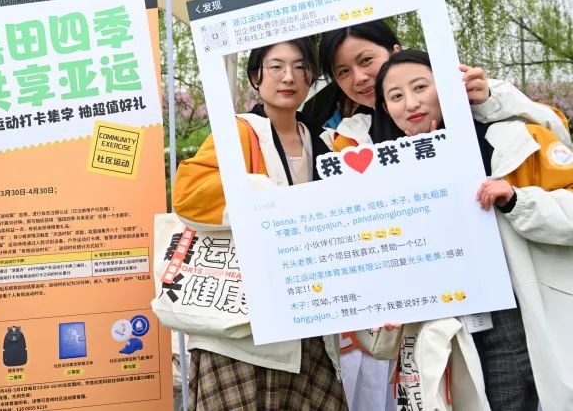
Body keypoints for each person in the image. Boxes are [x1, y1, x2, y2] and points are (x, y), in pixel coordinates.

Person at [370, 50, 573, 411]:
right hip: (460, 333)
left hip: (533, 315)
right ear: (385, 108)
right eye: (396, 96)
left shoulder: (514, 140)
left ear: (449, 86)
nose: (411, 103)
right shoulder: (381, 178)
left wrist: (517, 201)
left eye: (421, 87)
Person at [173, 38, 348, 410]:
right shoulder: (239, 131)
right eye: (276, 66)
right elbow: (188, 195)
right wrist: (268, 195)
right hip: (240, 331)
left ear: (312, 77)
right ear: (256, 76)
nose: (289, 77)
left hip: (305, 323)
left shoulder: (325, 143)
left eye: (300, 67)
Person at [307, 20, 570, 150]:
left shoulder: (478, 95)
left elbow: (556, 136)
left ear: (396, 52)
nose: (359, 78)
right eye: (343, 72)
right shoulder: (351, 140)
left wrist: (488, 103)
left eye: (366, 60)